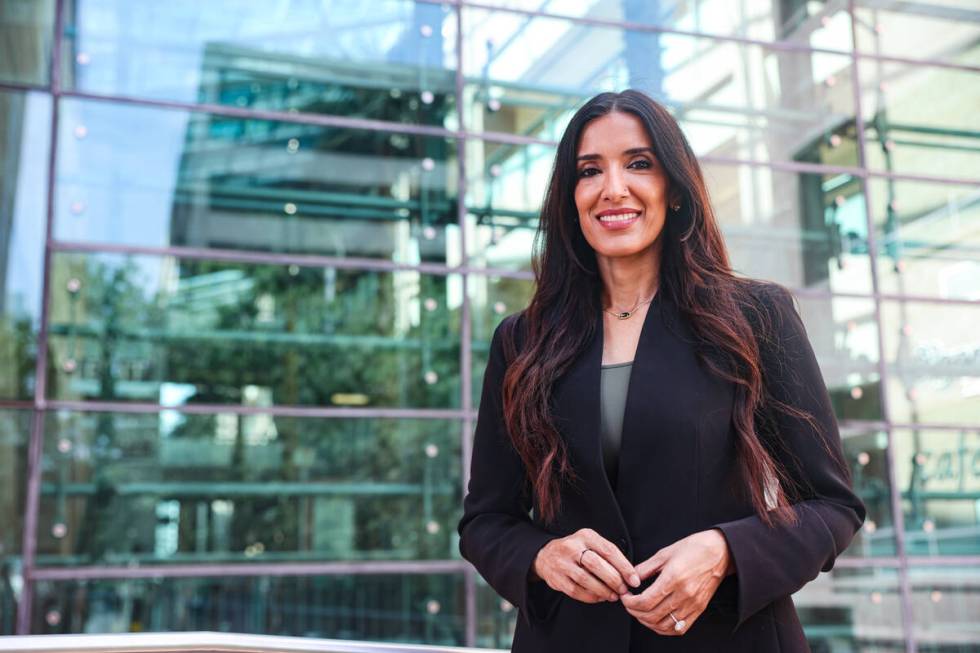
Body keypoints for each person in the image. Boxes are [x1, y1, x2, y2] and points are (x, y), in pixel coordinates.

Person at [457, 89, 865, 652]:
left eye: (639, 164)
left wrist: (724, 552)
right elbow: (485, 522)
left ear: (673, 187)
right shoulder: (522, 341)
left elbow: (834, 507)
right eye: (589, 171)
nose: (613, 189)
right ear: (570, 197)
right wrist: (542, 556)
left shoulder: (755, 317)